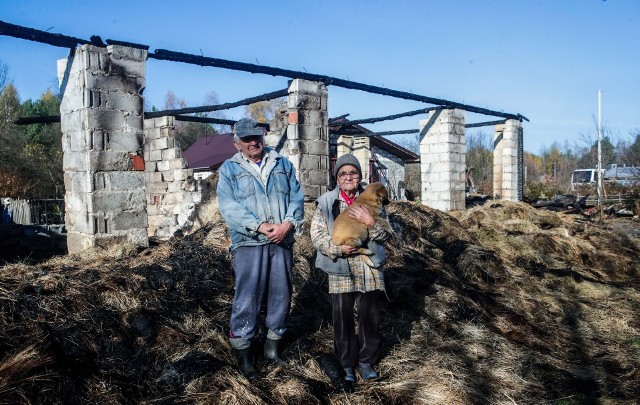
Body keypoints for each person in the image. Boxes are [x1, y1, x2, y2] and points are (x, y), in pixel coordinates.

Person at [217, 118, 305, 380]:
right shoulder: (229, 170)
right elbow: (229, 207)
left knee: (281, 292)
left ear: (263, 137)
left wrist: (288, 224)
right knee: (248, 295)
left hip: (281, 239)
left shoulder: (282, 163)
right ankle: (244, 352)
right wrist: (259, 225)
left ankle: (272, 347)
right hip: (249, 242)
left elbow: (297, 197)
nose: (253, 142)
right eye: (247, 139)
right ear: (238, 143)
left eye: (256, 136)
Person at [310, 154, 390, 387]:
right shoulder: (326, 202)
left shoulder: (374, 198)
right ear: (337, 178)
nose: (348, 177)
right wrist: (336, 248)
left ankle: (366, 362)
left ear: (359, 176)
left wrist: (371, 222)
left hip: (369, 266)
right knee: (342, 316)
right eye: (343, 174)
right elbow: (317, 235)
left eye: (353, 173)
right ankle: (346, 364)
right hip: (339, 266)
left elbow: (388, 235)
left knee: (370, 315)